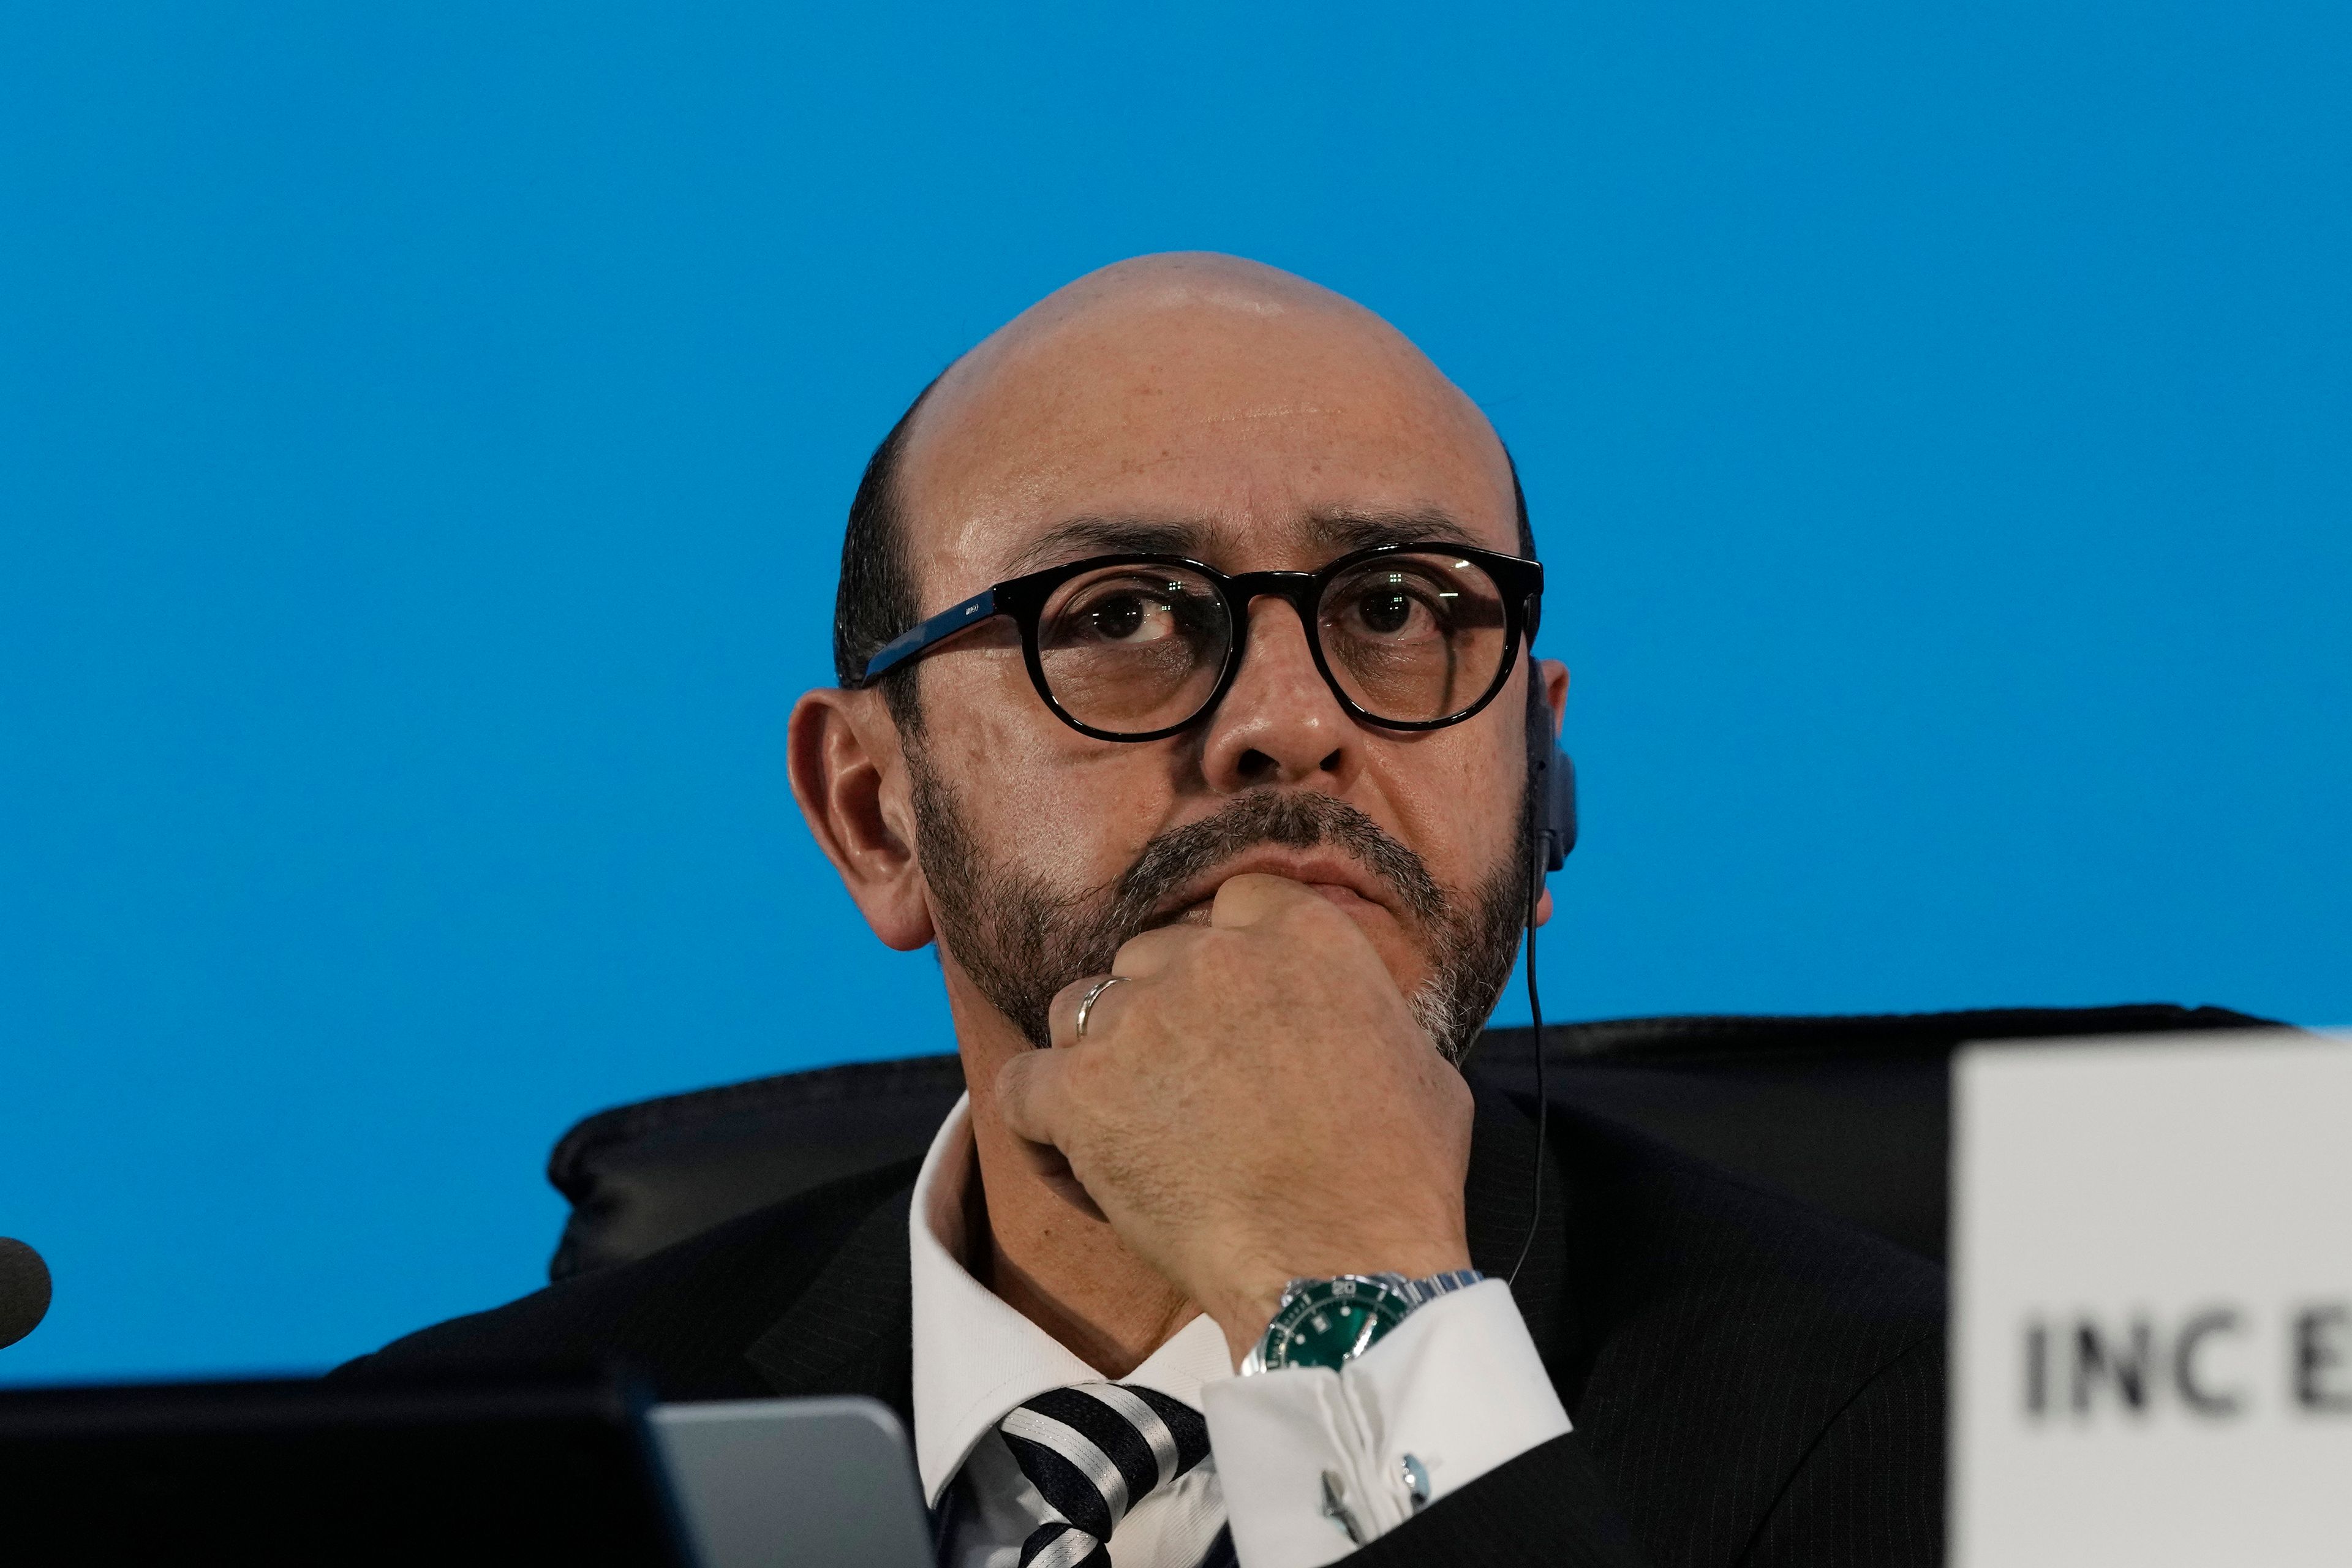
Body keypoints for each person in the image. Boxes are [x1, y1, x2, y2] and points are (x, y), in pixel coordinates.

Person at [341, 254, 1944, 1567]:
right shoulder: (430, 1483)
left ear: (1535, 775)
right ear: (871, 813)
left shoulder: (1936, 1443)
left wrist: (1353, 1304)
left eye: (1399, 609)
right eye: (1116, 614)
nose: (1290, 716)